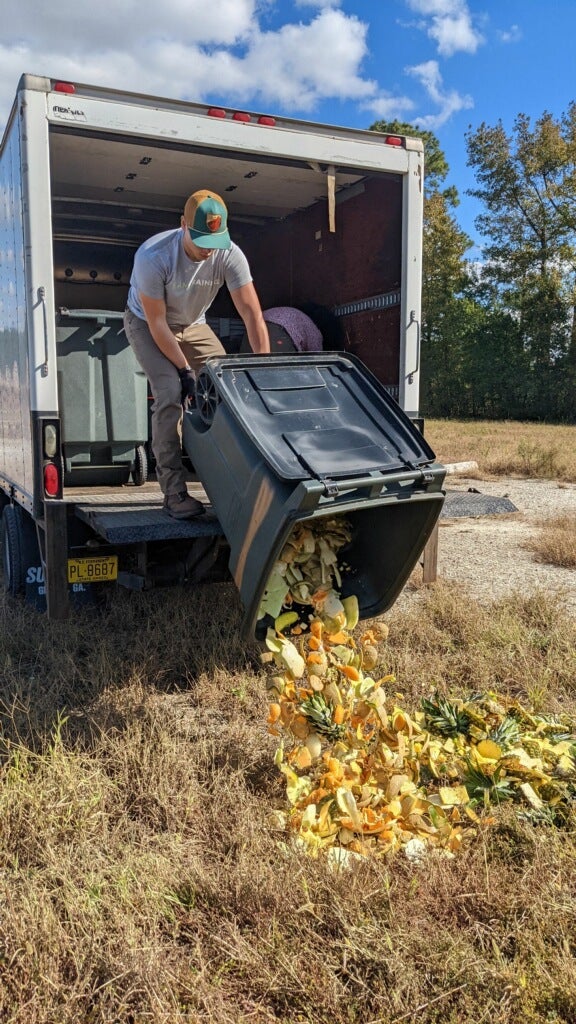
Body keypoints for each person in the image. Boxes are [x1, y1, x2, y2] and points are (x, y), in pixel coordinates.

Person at [124, 189, 270, 519]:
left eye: (214, 240)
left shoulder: (230, 254)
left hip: (192, 323)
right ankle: (174, 493)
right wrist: (185, 370)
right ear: (183, 225)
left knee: (228, 386)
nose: (208, 249)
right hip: (147, 324)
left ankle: (240, 481)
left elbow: (252, 314)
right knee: (171, 392)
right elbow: (158, 323)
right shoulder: (154, 256)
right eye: (201, 239)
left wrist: (264, 370)